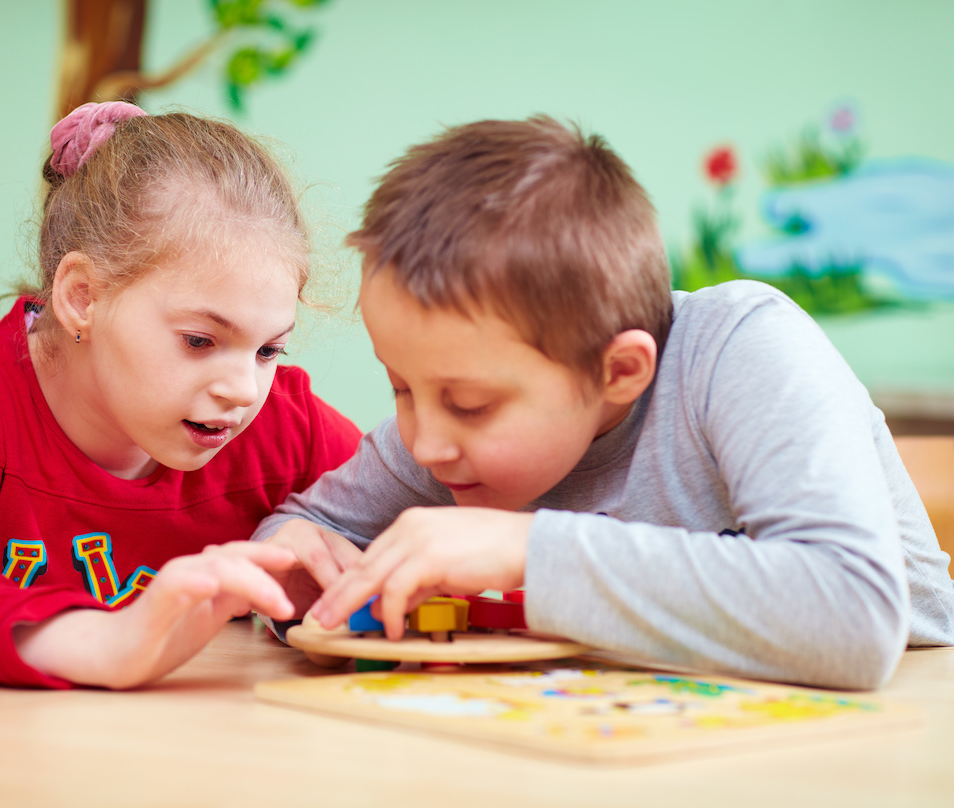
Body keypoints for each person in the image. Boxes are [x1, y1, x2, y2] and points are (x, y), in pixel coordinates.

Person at [255, 115, 954, 690]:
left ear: (619, 369)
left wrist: (526, 550)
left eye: (469, 404)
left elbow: (855, 618)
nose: (426, 443)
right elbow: (298, 533)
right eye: (400, 388)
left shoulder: (742, 349)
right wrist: (301, 581)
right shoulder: (444, 437)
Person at [0, 102, 361, 689]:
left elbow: (429, 551)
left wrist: (341, 589)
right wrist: (103, 642)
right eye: (200, 340)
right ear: (82, 296)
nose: (243, 389)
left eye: (269, 351)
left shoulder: (285, 424)